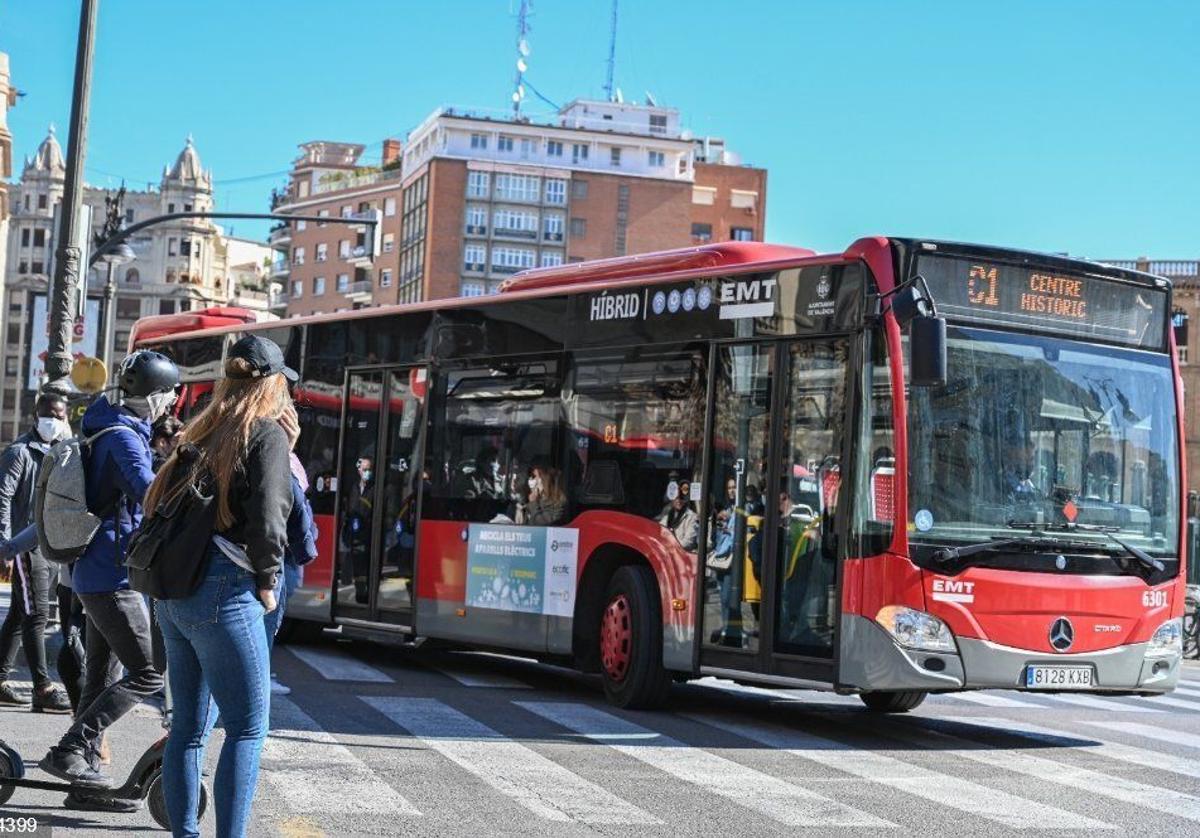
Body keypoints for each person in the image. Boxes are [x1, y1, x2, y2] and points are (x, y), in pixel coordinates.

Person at [148, 335, 294, 838]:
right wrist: (269, 582)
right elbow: (272, 518)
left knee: (188, 729)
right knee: (248, 728)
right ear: (273, 384)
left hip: (175, 595)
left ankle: (185, 833)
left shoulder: (201, 431)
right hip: (226, 592)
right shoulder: (266, 434)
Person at [39, 351, 179, 790]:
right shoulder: (123, 439)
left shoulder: (112, 427)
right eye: (169, 394)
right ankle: (70, 749)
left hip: (96, 572)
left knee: (102, 675)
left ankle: (83, 774)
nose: (171, 403)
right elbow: (150, 496)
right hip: (109, 576)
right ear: (153, 395)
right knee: (148, 672)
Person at [0, 393, 72, 714]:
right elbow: (2, 498)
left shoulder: (58, 452)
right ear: (36, 415)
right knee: (37, 614)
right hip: (24, 547)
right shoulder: (19, 453)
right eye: (48, 414)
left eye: (59, 415)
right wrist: (4, 544)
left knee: (19, 614)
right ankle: (42, 687)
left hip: (49, 546)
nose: (53, 420)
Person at [264, 448, 319, 696]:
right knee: (265, 627)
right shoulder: (281, 457)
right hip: (278, 560)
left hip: (278, 561)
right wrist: (305, 549)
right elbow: (298, 512)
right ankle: (259, 679)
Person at [658, 479, 699, 551]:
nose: (678, 501)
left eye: (681, 498)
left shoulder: (692, 517)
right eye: (676, 498)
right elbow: (660, 534)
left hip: (683, 554)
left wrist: (671, 546)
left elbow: (688, 542)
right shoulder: (667, 516)